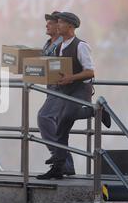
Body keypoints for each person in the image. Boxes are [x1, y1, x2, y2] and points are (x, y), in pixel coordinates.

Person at [36, 12, 110, 180]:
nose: (58, 25)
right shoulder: (61, 45)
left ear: (70, 26)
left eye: (61, 23)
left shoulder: (80, 45)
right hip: (66, 89)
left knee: (67, 116)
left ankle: (95, 111)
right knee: (62, 126)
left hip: (79, 89)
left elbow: (90, 71)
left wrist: (70, 78)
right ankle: (58, 166)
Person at [37, 11, 75, 176]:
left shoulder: (63, 43)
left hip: (61, 88)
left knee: (44, 118)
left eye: (52, 23)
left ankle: (60, 158)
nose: (48, 25)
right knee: (58, 128)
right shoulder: (48, 44)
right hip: (51, 88)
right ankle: (64, 165)